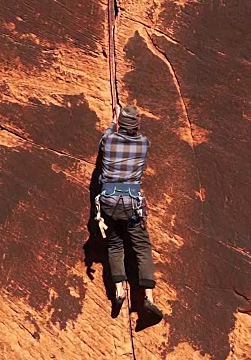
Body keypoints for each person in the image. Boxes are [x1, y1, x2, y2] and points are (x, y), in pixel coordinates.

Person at [95, 104, 163, 321]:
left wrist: (115, 119)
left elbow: (108, 134)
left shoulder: (109, 140)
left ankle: (118, 292)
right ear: (137, 125)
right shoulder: (143, 143)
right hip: (132, 203)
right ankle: (148, 299)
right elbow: (136, 136)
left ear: (120, 124)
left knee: (115, 245)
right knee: (142, 246)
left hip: (108, 201)